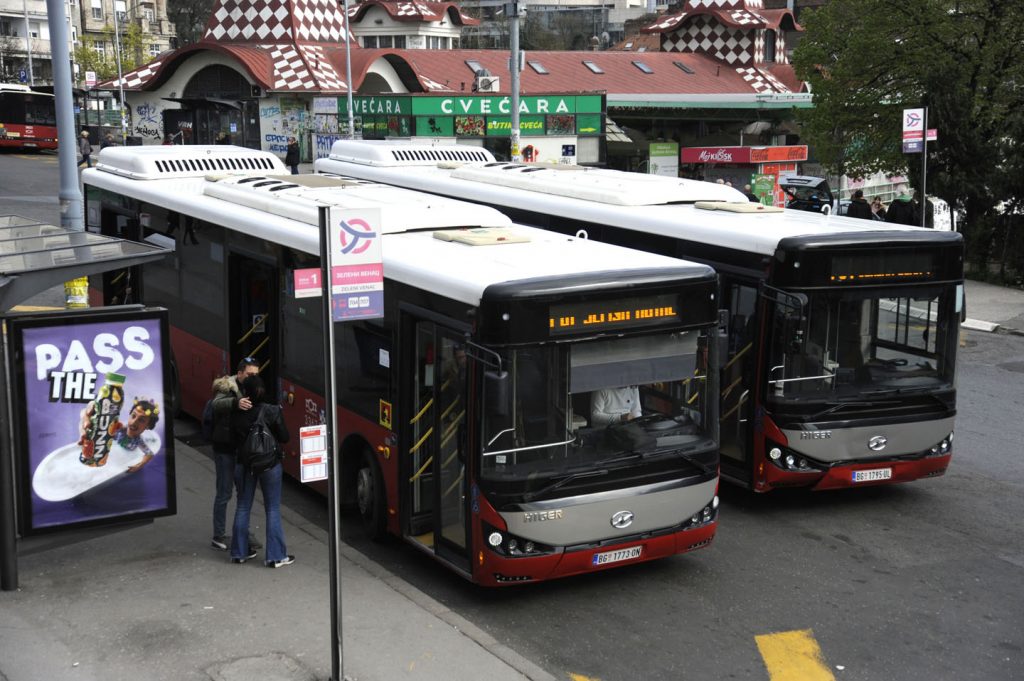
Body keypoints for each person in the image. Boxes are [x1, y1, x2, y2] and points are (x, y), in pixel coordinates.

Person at [229, 374, 291, 567]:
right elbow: (285, 437)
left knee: (243, 506)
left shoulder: (237, 411)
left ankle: (239, 553)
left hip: (244, 463)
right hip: (269, 464)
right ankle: (275, 556)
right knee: (272, 509)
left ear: (245, 391)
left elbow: (231, 437)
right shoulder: (272, 411)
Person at [209, 357, 262, 552]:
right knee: (224, 493)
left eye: (255, 375)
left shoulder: (252, 387)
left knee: (244, 493)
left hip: (241, 449)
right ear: (239, 374)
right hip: (225, 449)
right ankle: (219, 535)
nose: (252, 378)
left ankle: (243, 531)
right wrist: (236, 402)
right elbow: (216, 404)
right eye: (249, 374)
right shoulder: (227, 386)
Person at [109, 397, 160, 473]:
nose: (133, 422)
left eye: (141, 420)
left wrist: (140, 465)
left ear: (148, 426)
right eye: (133, 416)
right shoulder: (119, 429)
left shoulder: (138, 441)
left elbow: (149, 454)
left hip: (125, 458)